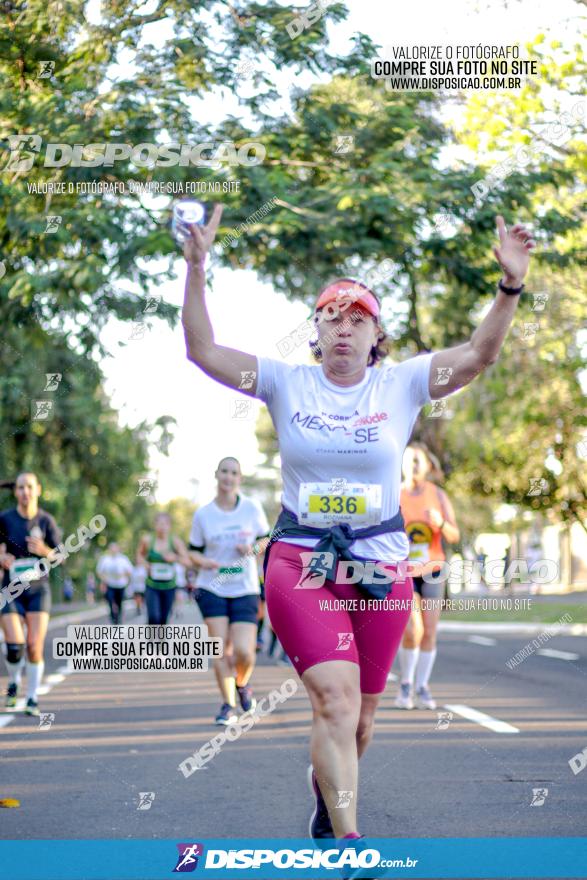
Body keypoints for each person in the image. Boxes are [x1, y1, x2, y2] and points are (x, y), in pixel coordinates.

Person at [180, 204, 534, 856]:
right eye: (331, 316)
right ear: (314, 330)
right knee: (336, 704)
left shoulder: (401, 383)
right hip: (302, 560)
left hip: (380, 565)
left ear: (377, 336)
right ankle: (347, 844)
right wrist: (196, 265)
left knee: (363, 719)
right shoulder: (286, 381)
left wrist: (508, 286)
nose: (343, 327)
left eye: (358, 318)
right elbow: (201, 350)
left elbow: (481, 354)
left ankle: (326, 793)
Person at [188, 457, 270, 725]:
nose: (228, 476)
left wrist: (253, 549)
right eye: (224, 471)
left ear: (239, 478)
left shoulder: (251, 508)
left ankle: (242, 685)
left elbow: (267, 539)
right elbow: (193, 552)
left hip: (244, 587)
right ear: (216, 475)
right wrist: (205, 562)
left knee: (245, 652)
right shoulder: (203, 514)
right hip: (211, 587)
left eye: (234, 472)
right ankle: (228, 705)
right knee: (221, 650)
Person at [395, 443, 460, 711]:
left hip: (433, 570)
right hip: (405, 571)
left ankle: (422, 686)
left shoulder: (438, 496)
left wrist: (440, 523)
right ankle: (406, 685)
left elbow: (455, 535)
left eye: (418, 460)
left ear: (428, 466)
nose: (413, 465)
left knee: (429, 632)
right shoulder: (394, 495)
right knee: (412, 629)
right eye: (409, 460)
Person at [0, 472, 62, 717]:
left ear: (38, 489)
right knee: (15, 646)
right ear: (15, 492)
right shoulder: (4, 519)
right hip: (11, 589)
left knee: (34, 646)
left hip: (38, 589)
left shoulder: (46, 521)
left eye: (29, 487)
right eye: (20, 487)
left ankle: (32, 698)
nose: (25, 492)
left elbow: (60, 556)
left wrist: (45, 550)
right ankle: (14, 682)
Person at [136, 512, 191, 626]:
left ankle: (160, 642)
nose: (162, 527)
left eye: (165, 524)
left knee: (163, 619)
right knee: (153, 617)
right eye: (159, 524)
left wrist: (175, 557)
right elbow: (139, 556)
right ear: (155, 525)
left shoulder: (175, 541)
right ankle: (152, 641)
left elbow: (187, 561)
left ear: (170, 525)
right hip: (152, 585)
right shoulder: (147, 540)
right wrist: (146, 564)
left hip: (169, 586)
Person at [96, 543, 133, 625]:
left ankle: (118, 617)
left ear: (118, 549)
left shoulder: (123, 559)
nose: (113, 550)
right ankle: (113, 617)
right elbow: (99, 572)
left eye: (115, 548)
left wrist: (124, 575)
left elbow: (130, 571)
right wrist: (104, 579)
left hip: (121, 585)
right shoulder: (105, 559)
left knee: (119, 602)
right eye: (112, 548)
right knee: (110, 601)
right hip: (110, 585)